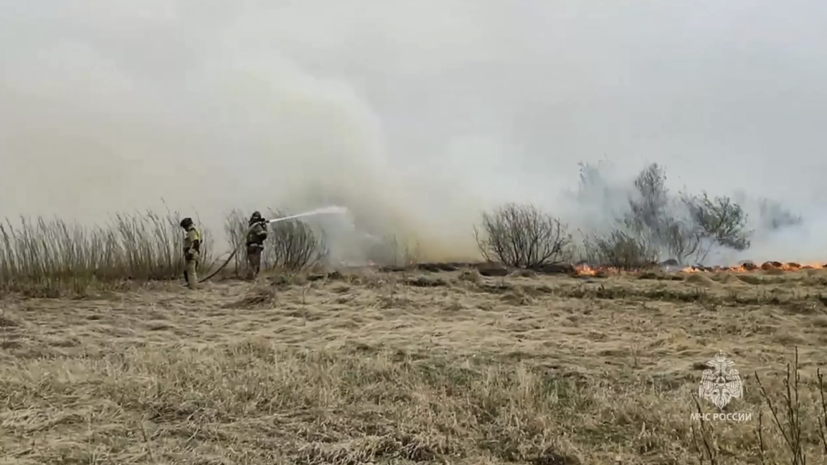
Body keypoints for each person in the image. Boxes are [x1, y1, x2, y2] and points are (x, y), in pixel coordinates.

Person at [180, 217, 202, 289]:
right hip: (194, 254)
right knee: (187, 272)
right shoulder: (196, 231)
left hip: (192, 255)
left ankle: (193, 288)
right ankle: (191, 285)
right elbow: (200, 241)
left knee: (191, 273)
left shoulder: (191, 232)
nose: (184, 229)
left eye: (184, 227)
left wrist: (189, 252)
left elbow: (196, 244)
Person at [245, 211, 268, 280]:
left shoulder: (251, 225)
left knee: (252, 263)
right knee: (256, 264)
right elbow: (263, 234)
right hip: (256, 247)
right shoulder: (257, 226)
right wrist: (264, 226)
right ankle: (253, 278)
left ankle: (250, 277)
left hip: (250, 247)